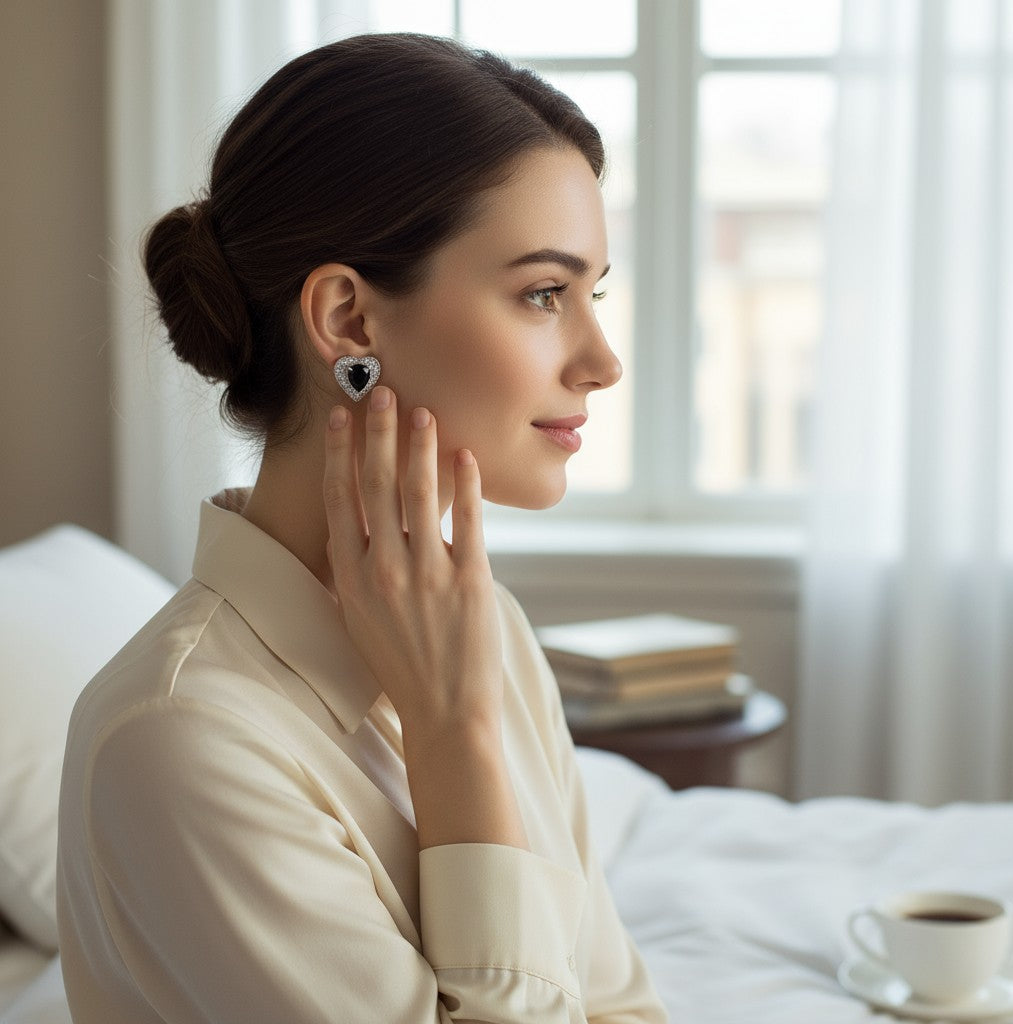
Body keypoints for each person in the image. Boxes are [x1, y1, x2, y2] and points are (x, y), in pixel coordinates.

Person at [56, 32, 669, 1024]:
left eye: (590, 294)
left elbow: (620, 1008)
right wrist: (455, 739)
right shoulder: (177, 742)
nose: (601, 359)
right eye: (543, 294)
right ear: (347, 320)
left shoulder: (489, 632)